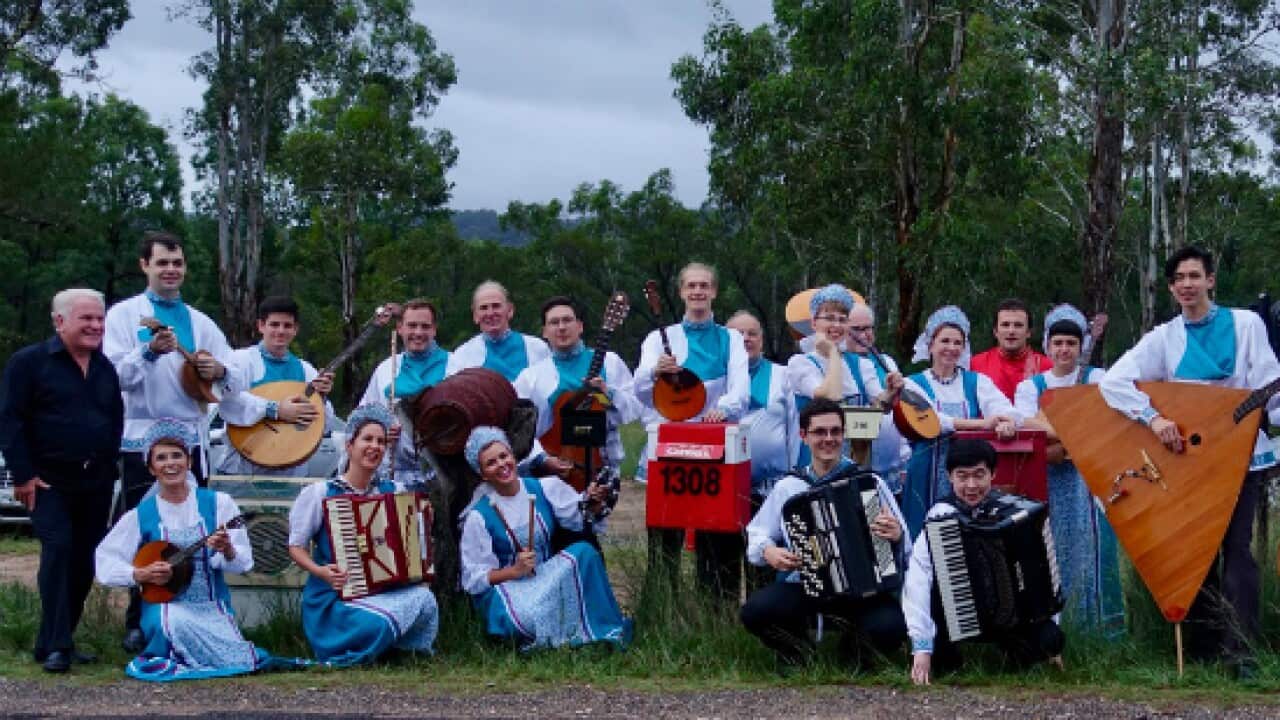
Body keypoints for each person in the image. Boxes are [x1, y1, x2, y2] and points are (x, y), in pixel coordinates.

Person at [1100, 245, 1280, 676]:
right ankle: (1201, 650)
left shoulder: (1247, 323)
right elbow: (1113, 383)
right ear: (1171, 286)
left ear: (1210, 280)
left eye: (1194, 276)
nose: (1187, 284)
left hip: (1242, 460)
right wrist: (1153, 417)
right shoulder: (1165, 338)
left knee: (1238, 553)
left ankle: (1243, 656)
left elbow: (1269, 386)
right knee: (1192, 550)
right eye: (1179, 278)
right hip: (1190, 463)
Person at [103, 230, 244, 653]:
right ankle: (139, 620)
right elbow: (112, 379)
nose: (171, 270)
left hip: (192, 443)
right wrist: (147, 353)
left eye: (177, 263)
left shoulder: (201, 322)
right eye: (162, 262)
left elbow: (237, 378)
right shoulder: (124, 316)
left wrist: (218, 371)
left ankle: (199, 610)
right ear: (144, 265)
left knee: (194, 529)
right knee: (144, 531)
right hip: (140, 441)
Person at [94, 422, 295, 681]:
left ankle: (222, 654)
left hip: (212, 605)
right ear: (151, 468)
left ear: (189, 461)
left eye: (177, 456)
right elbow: (105, 559)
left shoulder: (218, 504)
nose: (170, 464)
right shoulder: (140, 515)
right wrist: (140, 574)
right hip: (166, 606)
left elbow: (244, 562)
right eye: (161, 458)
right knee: (172, 620)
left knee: (228, 642)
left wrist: (228, 549)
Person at [0, 289, 123, 673]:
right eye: (86, 319)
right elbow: (11, 421)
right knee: (59, 550)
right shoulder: (28, 363)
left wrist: (108, 468)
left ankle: (57, 640)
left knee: (85, 559)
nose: (95, 326)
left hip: (96, 483)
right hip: (47, 481)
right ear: (59, 321)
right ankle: (57, 646)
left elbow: (113, 419)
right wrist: (23, 476)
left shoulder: (104, 367)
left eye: (100, 319)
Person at [741, 399, 908, 670]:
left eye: (835, 431)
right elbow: (757, 534)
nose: (828, 439)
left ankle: (852, 655)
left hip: (865, 589)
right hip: (804, 587)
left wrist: (897, 536)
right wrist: (768, 551)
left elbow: (907, 546)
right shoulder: (790, 487)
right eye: (819, 432)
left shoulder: (869, 484)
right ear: (803, 436)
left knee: (892, 627)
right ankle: (797, 653)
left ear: (844, 434)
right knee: (756, 611)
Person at [903, 437, 1065, 685]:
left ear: (993, 474)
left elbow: (1041, 578)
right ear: (949, 477)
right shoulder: (941, 515)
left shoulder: (1016, 514)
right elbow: (918, 576)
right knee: (944, 657)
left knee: (1050, 640)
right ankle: (947, 655)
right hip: (953, 617)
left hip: (1008, 618)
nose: (971, 485)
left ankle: (1014, 653)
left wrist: (1050, 620)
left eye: (979, 475)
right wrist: (921, 646)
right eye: (962, 476)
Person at [287, 404, 440, 666]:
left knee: (425, 599)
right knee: (378, 622)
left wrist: (423, 522)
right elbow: (295, 546)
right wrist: (321, 571)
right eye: (367, 439)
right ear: (349, 445)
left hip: (385, 590)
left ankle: (403, 653)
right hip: (336, 598)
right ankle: (369, 645)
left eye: (381, 441)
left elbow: (415, 539)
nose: (375, 446)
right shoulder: (320, 493)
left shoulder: (395, 491)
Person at [634, 262, 750, 600]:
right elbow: (640, 392)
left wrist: (722, 410)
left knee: (714, 530)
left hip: (714, 444)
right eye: (691, 286)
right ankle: (662, 602)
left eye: (704, 285)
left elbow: (740, 389)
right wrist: (655, 372)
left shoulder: (731, 338)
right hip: (672, 447)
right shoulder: (659, 339)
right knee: (665, 530)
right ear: (682, 292)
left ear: (714, 291)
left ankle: (716, 605)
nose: (698, 291)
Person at [459, 426, 632, 650]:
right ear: (482, 473)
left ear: (513, 456)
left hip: (546, 578)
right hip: (509, 591)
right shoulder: (478, 516)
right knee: (530, 616)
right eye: (491, 463)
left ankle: (603, 627)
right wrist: (513, 571)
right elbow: (473, 579)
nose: (501, 464)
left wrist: (592, 501)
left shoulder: (543, 487)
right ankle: (555, 629)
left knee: (585, 551)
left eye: (504, 456)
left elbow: (580, 517)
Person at [1014, 306, 1124, 636]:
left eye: (1071, 344)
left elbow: (1104, 427)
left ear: (1081, 346)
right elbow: (1030, 432)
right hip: (1047, 478)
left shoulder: (1098, 379)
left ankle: (1098, 634)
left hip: (1090, 479)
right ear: (1047, 347)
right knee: (1053, 548)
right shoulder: (1030, 386)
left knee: (1092, 549)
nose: (1064, 350)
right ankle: (1055, 630)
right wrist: (1071, 436)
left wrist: (1058, 436)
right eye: (1058, 343)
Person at [900, 306, 1020, 537]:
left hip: (968, 476)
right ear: (931, 344)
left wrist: (1006, 423)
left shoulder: (977, 382)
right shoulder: (912, 384)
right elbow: (932, 421)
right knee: (924, 536)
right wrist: (982, 424)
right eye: (945, 341)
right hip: (926, 473)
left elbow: (1007, 410)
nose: (951, 348)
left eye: (958, 343)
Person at [514, 296, 641, 503]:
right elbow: (519, 431)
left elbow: (633, 410)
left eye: (567, 320)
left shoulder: (610, 363)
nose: (562, 327)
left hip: (601, 468)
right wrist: (543, 459)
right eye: (554, 322)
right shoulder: (531, 377)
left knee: (589, 529)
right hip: (553, 470)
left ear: (580, 326)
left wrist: (606, 393)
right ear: (544, 332)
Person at [786, 287, 907, 485]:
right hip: (816, 467)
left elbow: (879, 407)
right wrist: (833, 354)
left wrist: (890, 392)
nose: (836, 324)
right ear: (814, 323)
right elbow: (829, 397)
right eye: (829, 318)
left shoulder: (861, 364)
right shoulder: (800, 363)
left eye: (842, 319)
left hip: (855, 466)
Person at [217, 296, 336, 476]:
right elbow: (228, 402)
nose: (280, 331)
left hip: (291, 473)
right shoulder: (240, 361)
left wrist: (322, 397)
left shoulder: (306, 370)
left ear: (296, 329)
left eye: (287, 326)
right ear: (261, 326)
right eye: (274, 324)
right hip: (242, 470)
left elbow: (324, 426)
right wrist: (276, 409)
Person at [361, 299, 451, 488]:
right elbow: (362, 419)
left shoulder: (455, 365)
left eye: (425, 326)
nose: (418, 333)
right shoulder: (386, 369)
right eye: (411, 325)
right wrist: (382, 431)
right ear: (400, 328)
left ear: (434, 330)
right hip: (396, 477)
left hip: (444, 475)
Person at [446, 281, 550, 382]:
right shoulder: (462, 356)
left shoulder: (537, 348)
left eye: (496, 306)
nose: (490, 313)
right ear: (475, 315)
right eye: (483, 308)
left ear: (510, 310)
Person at [969, 299, 1052, 401]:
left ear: (1029, 332)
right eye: (1005, 325)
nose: (1011, 331)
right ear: (995, 331)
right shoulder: (976, 364)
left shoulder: (1046, 366)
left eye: (1018, 325)